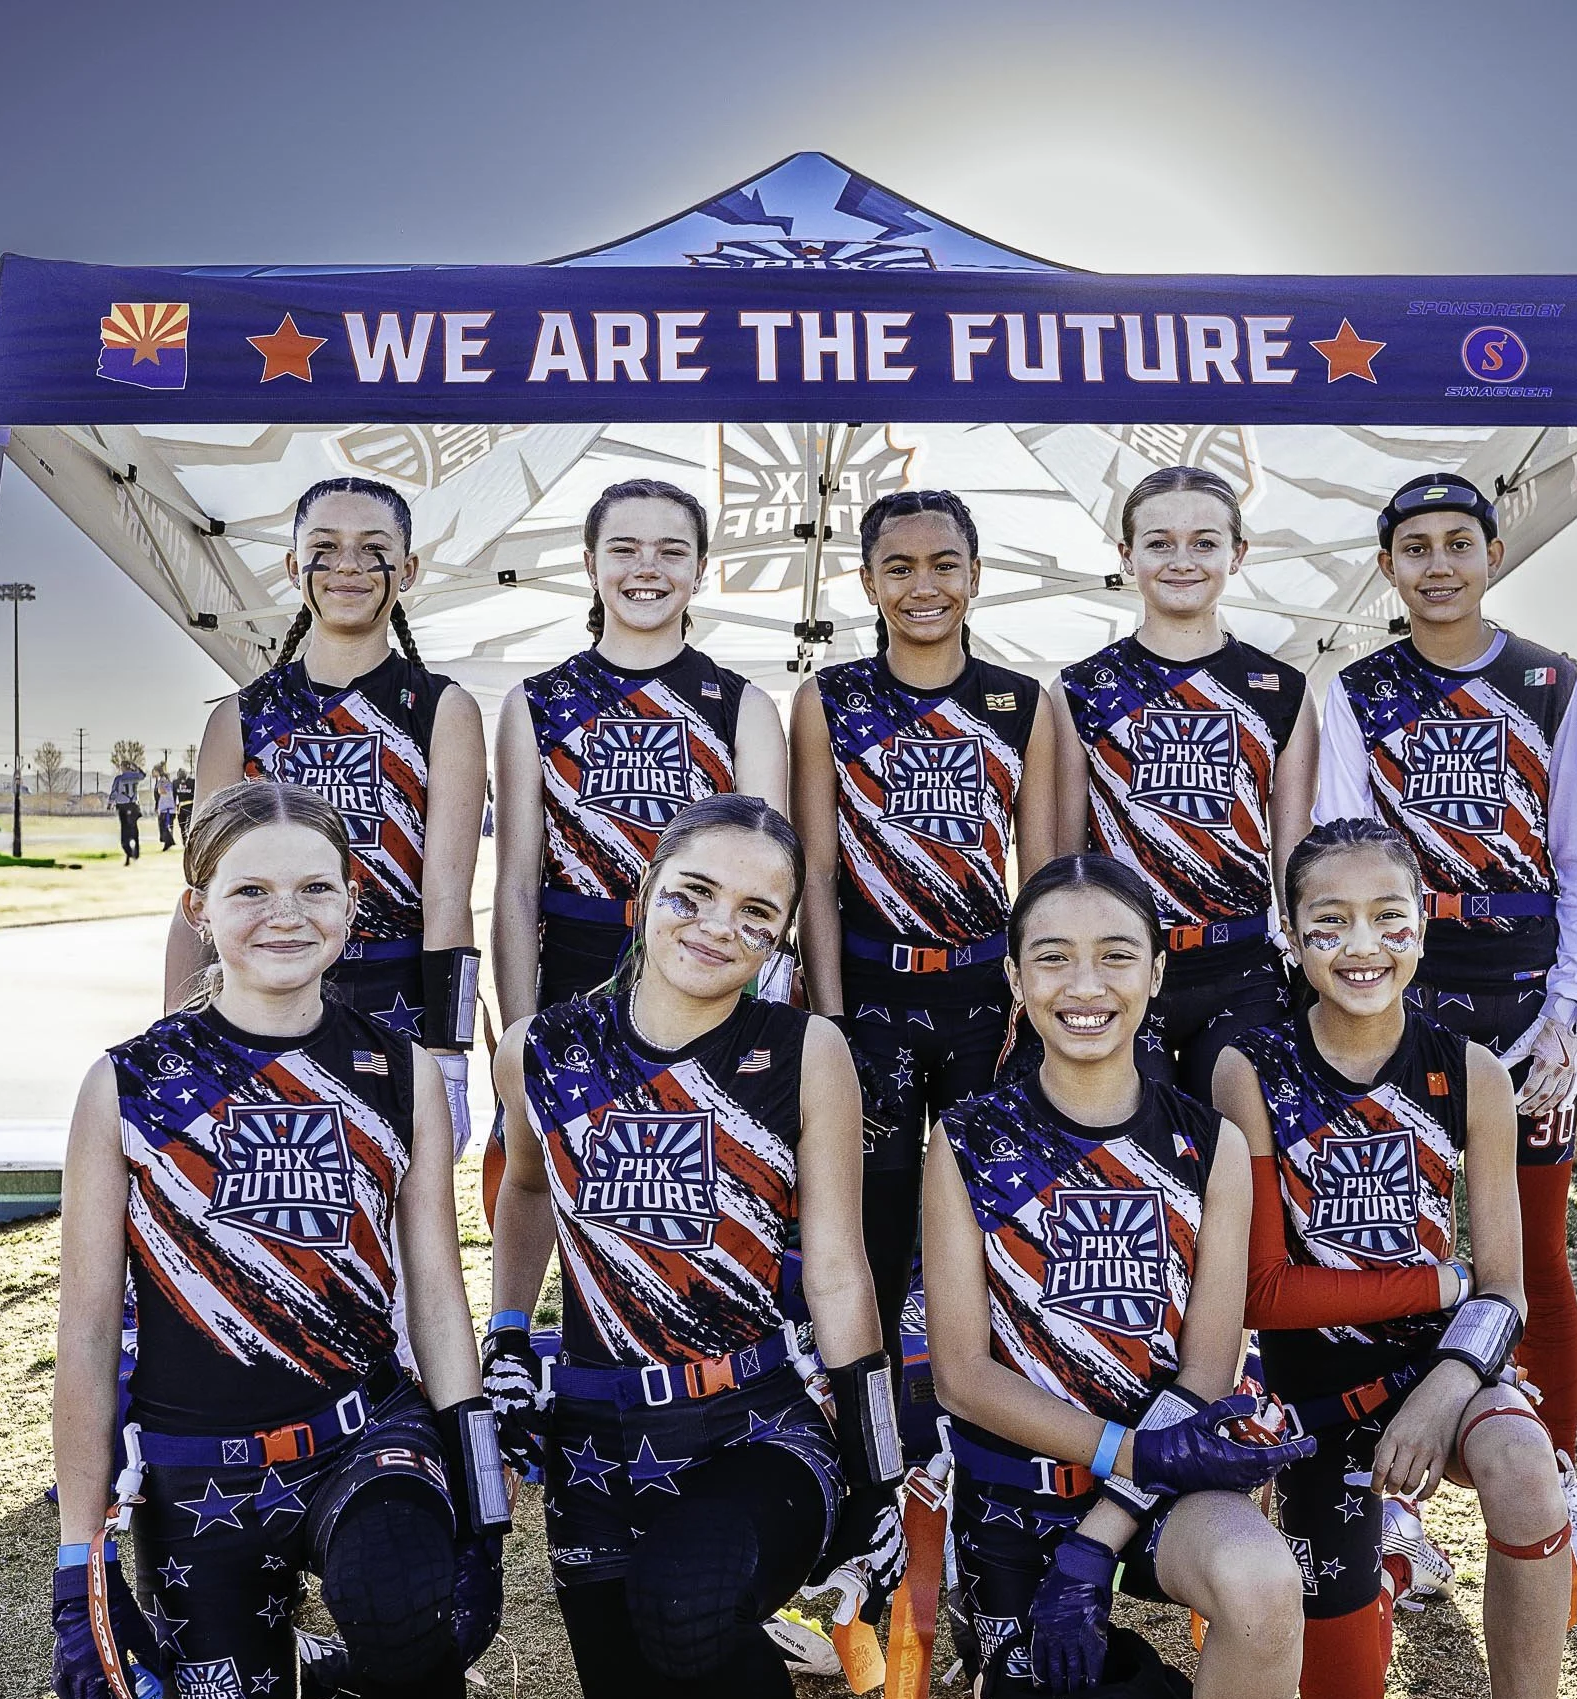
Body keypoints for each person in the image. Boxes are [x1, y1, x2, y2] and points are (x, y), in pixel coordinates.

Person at [49, 780, 507, 1699]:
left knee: (399, 1602)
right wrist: (78, 1553)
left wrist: (479, 1494)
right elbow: (85, 1331)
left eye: (315, 888)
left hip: (361, 1436)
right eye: (249, 890)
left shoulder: (398, 1067)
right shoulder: (127, 1083)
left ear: (353, 903)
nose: (286, 915)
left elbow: (433, 1291)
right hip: (194, 1475)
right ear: (197, 909)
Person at [485, 794, 905, 1699]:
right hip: (595, 1441)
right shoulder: (538, 1051)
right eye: (695, 893)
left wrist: (879, 1473)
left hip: (756, 1427)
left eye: (757, 912)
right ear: (642, 894)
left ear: (780, 939)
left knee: (686, 1603)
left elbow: (840, 1266)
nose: (720, 924)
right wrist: (508, 1340)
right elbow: (524, 1187)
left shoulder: (806, 1053)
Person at [923, 854, 1311, 1699]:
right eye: (1052, 958)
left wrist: (1100, 1535)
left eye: (1116, 955)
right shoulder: (967, 1139)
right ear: (1016, 977)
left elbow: (1207, 1373)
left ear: (1156, 973)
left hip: (1165, 1486)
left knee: (1263, 1585)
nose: (1086, 985)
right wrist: (1122, 1457)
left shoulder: (1206, 1143)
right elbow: (964, 1376)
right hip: (1017, 1488)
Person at [1213, 819, 1574, 1699]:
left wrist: (1444, 1385)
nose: (1362, 945)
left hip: (1438, 1375)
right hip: (1316, 1403)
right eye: (1329, 922)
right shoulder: (1250, 1069)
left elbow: (1502, 1288)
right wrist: (1434, 1279)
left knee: (1526, 1465)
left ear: (1421, 925)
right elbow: (1258, 1292)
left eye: (1388, 917)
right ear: (1290, 935)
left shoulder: (1472, 1072)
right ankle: (1384, 1569)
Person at [1313, 473, 1577, 1577]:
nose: (1437, 564)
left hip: (1525, 991)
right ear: (1386, 566)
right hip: (1405, 995)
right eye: (1413, 547)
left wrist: (1566, 1015)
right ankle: (1389, 1496)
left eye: (1456, 542)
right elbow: (1338, 853)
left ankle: (1553, 1463)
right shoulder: (1356, 689)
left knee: (1529, 1250)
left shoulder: (1546, 680)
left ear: (1491, 552)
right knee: (1388, 1245)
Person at [791, 488, 1060, 1361]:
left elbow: (1047, 879)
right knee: (876, 1214)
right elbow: (818, 874)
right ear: (868, 583)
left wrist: (1040, 1010)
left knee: (989, 1209)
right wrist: (830, 1019)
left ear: (976, 576)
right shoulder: (829, 699)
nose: (924, 585)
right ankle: (871, 1422)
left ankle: (981, 1407)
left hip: (985, 998)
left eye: (944, 563)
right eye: (899, 567)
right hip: (871, 991)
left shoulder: (1023, 703)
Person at [168, 476, 488, 1158]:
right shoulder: (241, 716)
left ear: (407, 569)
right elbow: (197, 898)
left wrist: (451, 1053)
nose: (348, 565)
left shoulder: (441, 708)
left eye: (372, 549)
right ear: (292, 566)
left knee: (396, 1229)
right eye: (325, 547)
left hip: (395, 997)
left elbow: (449, 899)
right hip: (260, 990)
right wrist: (175, 1036)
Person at [1052, 465, 1316, 1097]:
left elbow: (1294, 854)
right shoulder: (1080, 690)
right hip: (1124, 966)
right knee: (1144, 1168)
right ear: (1127, 554)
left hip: (1242, 966)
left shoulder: (1281, 689)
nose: (1182, 560)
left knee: (1241, 1158)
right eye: (1159, 542)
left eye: (1204, 542)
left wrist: (1308, 964)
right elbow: (1064, 860)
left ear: (1237, 554)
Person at [493, 477, 787, 1026]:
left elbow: (769, 881)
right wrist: (518, 1032)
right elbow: (514, 886)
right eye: (624, 550)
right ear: (590, 564)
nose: (646, 569)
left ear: (700, 571)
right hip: (574, 965)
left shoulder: (743, 705)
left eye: (671, 552)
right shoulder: (535, 703)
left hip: (705, 963)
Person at [109, 758, 145, 864]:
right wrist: (136, 767)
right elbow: (143, 775)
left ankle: (128, 852)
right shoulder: (135, 777)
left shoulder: (119, 779)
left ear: (123, 768)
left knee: (125, 830)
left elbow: (114, 792)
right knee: (134, 830)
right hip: (134, 806)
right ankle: (136, 853)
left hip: (123, 807)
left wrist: (110, 802)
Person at [154, 764, 179, 851]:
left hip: (167, 808)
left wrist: (158, 788)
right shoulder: (166, 780)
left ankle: (169, 842)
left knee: (164, 827)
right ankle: (168, 843)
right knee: (166, 827)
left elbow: (162, 791)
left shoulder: (162, 781)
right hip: (168, 808)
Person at [174, 764, 197, 841]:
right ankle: (185, 841)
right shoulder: (176, 783)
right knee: (183, 825)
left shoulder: (192, 782)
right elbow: (174, 795)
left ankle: (190, 840)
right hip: (183, 807)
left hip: (189, 806)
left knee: (189, 825)